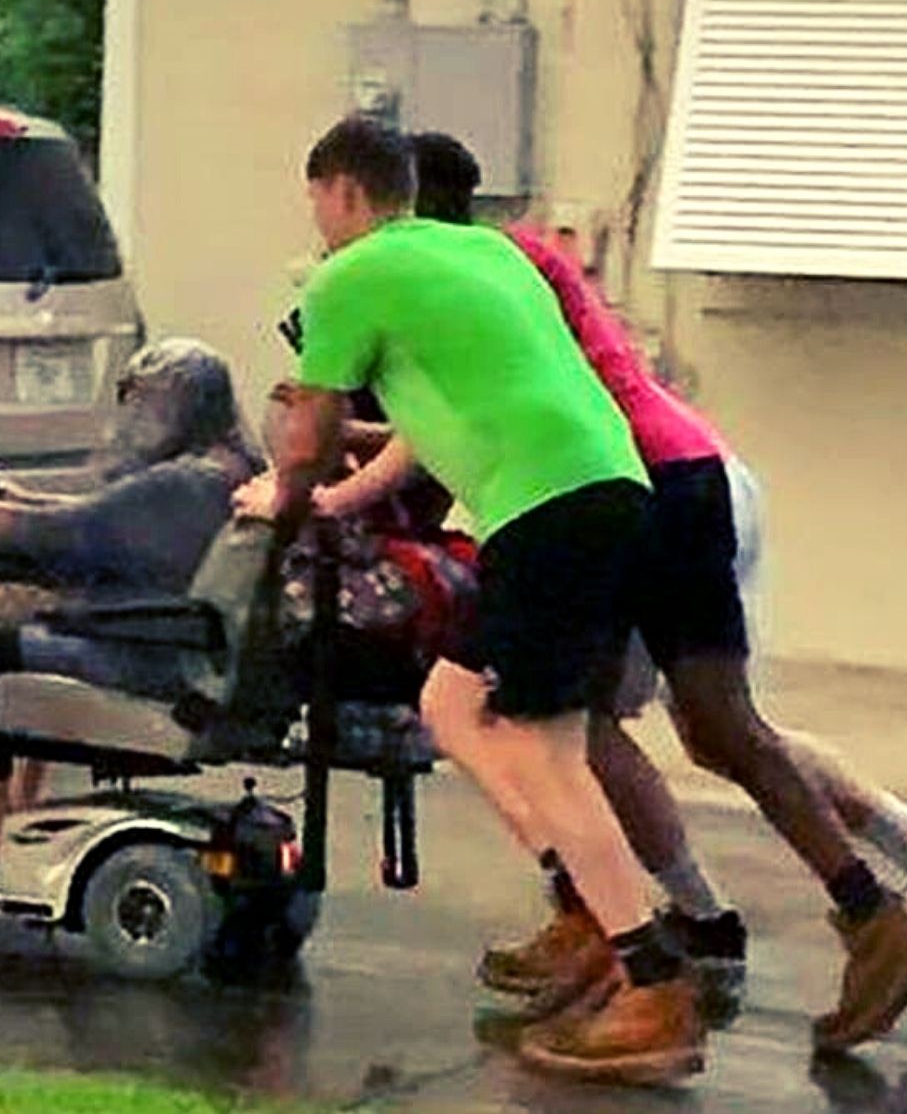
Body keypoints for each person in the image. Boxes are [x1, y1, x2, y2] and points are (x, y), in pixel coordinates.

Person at [408, 131, 907, 1053]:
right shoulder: (510, 256)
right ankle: (871, 909)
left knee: (576, 719)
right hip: (676, 468)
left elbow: (517, 402)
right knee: (709, 728)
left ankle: (648, 933)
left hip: (635, 484)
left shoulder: (474, 270)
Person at [239, 115, 702, 1085]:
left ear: (344, 193)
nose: (317, 223)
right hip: (601, 487)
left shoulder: (348, 276)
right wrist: (334, 492)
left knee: (547, 746)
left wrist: (285, 502)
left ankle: (652, 982)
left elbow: (312, 426)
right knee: (451, 702)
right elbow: (438, 408)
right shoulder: (482, 253)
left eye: (317, 202)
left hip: (548, 508)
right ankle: (584, 905)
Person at [0, 338, 264, 863]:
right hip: (189, 641)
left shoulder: (179, 483)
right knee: (25, 621)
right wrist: (4, 494)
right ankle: (23, 806)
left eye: (144, 399)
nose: (134, 413)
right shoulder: (235, 468)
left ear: (178, 403)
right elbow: (98, 516)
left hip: (150, 655)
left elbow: (59, 532)